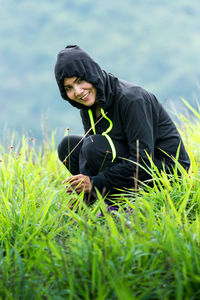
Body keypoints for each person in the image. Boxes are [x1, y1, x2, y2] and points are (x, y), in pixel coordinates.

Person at [55, 45, 190, 205]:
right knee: (68, 146)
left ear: (91, 74)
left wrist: (94, 183)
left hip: (167, 173)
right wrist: (86, 198)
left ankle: (124, 205)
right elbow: (87, 157)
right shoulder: (87, 105)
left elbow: (143, 161)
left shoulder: (132, 99)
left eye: (80, 81)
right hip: (133, 162)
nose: (77, 91)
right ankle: (111, 202)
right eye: (69, 88)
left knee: (93, 146)